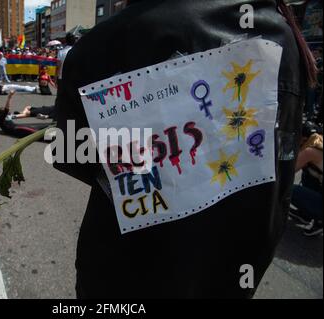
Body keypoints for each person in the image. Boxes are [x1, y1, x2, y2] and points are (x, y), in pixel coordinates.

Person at [54, 0, 314, 298]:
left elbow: (72, 154)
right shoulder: (281, 31)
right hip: (232, 273)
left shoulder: (102, 44)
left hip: (127, 274)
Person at [289, 123, 323, 236]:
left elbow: (287, 174)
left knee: (289, 189)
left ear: (303, 138)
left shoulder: (310, 151)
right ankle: (307, 214)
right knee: (308, 172)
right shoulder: (319, 143)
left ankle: (319, 220)